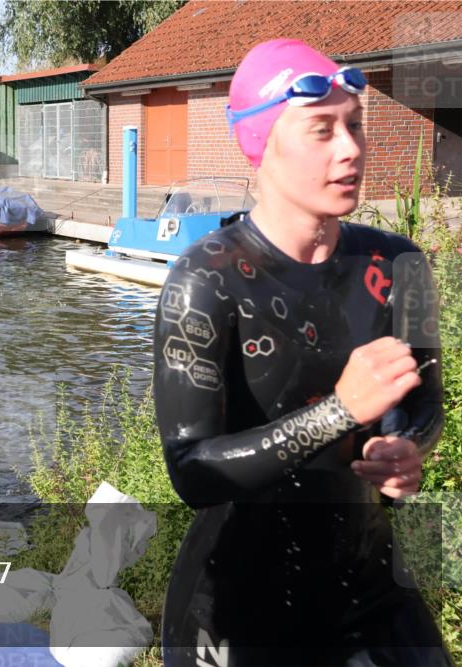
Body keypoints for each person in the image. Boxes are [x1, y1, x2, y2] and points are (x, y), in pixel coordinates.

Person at [154, 39, 448, 666]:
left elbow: (425, 403)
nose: (350, 148)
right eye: (321, 130)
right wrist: (340, 412)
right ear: (259, 145)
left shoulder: (400, 264)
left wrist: (404, 447)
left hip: (369, 583)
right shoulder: (204, 281)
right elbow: (192, 472)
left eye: (355, 125)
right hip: (240, 605)